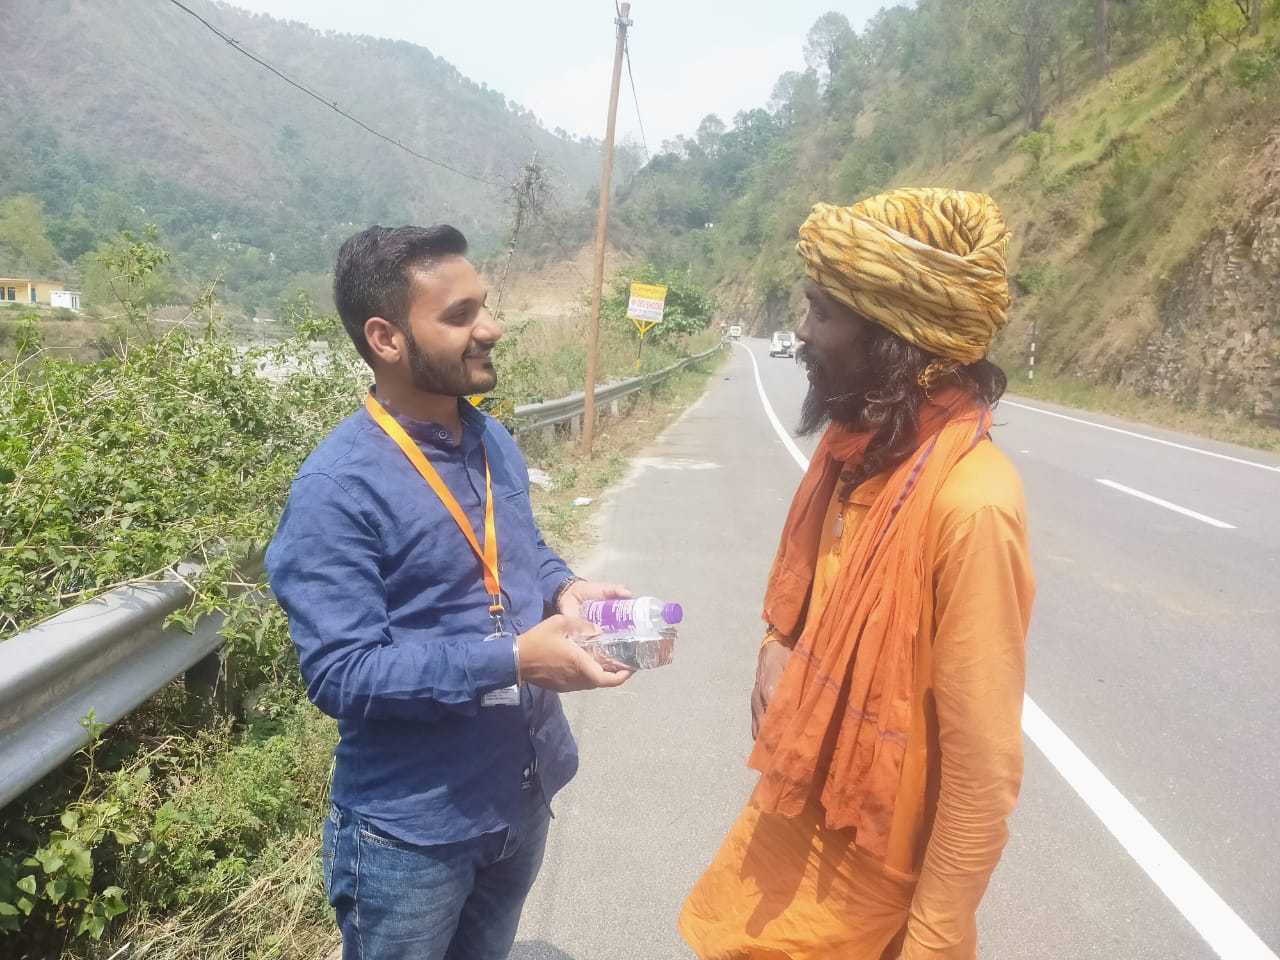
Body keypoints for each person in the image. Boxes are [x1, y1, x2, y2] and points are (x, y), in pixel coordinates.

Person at [679, 188, 1036, 960]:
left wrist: (933, 943)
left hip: (877, 893)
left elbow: (980, 772)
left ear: (896, 341)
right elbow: (813, 604)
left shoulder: (972, 503)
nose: (803, 333)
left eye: (822, 312)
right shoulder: (858, 453)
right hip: (793, 844)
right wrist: (777, 642)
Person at [266, 224, 633, 960]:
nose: (490, 329)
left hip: (521, 794)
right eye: (460, 315)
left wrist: (565, 589)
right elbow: (341, 673)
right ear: (386, 338)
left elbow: (521, 551)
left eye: (484, 307)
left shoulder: (492, 439)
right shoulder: (337, 488)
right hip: (413, 837)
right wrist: (514, 660)